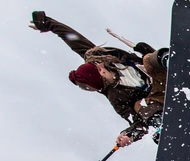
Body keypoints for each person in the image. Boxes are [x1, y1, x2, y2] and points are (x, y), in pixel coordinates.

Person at [29, 11, 168, 148]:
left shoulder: (99, 56)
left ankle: (169, 60)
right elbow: (137, 121)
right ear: (104, 83)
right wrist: (129, 134)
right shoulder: (116, 97)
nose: (101, 68)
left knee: (148, 60)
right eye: (102, 74)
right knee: (139, 105)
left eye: (99, 68)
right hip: (162, 97)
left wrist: (46, 22)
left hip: (164, 74)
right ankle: (161, 122)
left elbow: (71, 37)